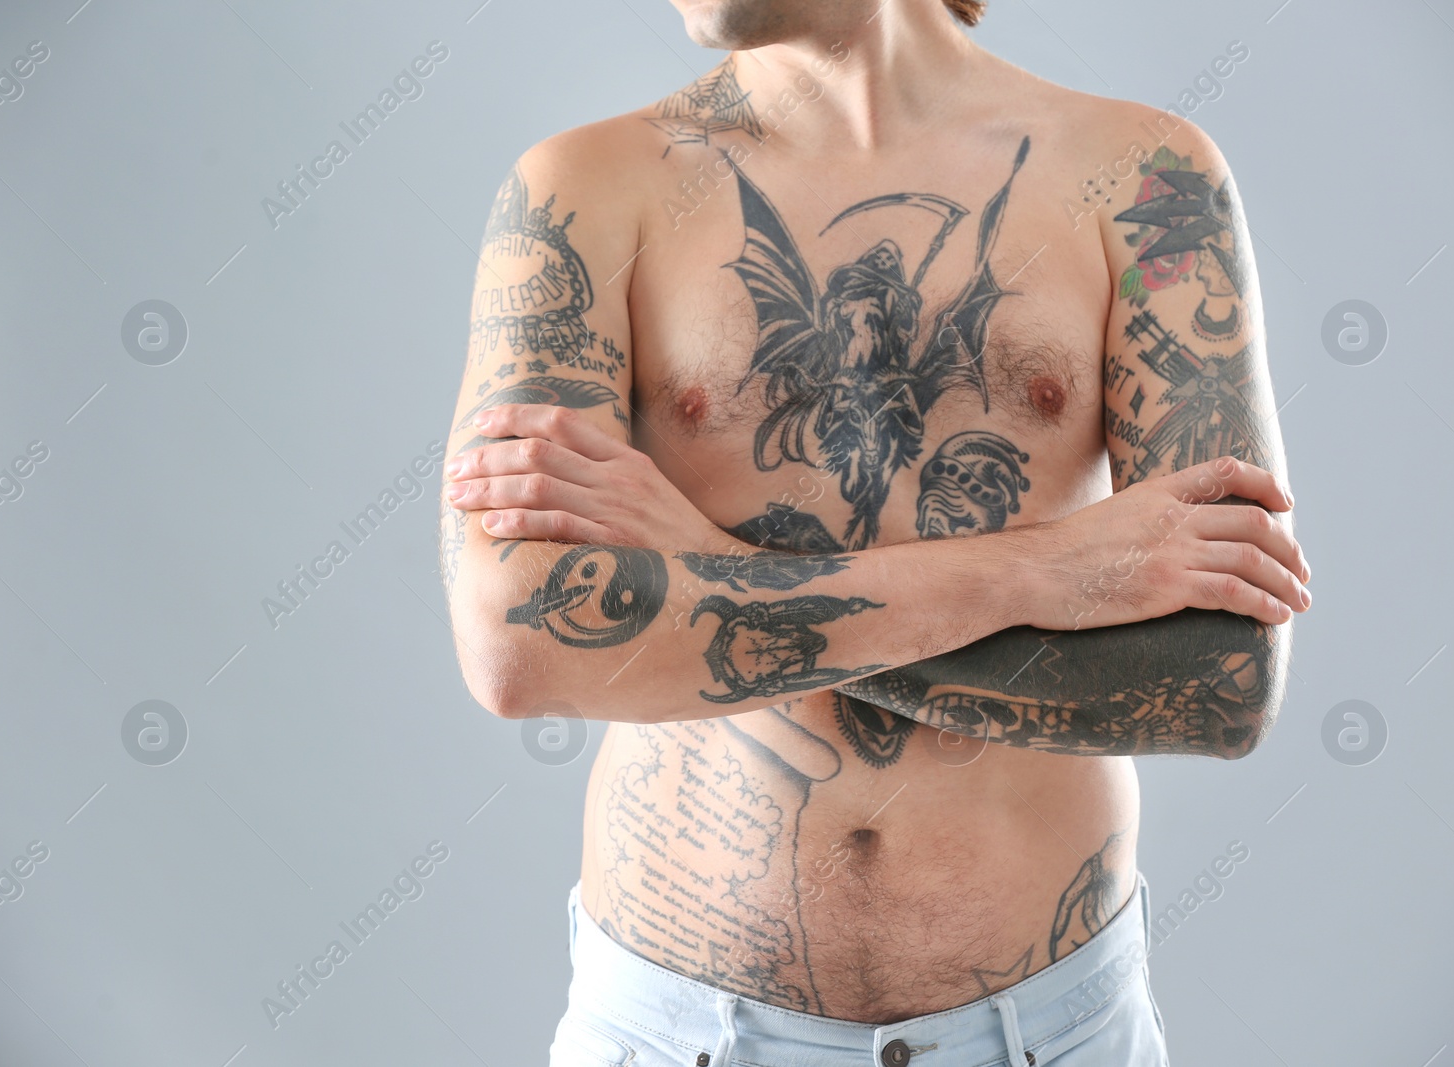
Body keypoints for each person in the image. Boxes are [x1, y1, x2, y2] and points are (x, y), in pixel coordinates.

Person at [439, 0, 1311, 1062]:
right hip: (681, 1031)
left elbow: (1219, 680)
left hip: (1046, 1031)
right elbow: (521, 647)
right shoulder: (583, 190)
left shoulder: (1140, 178)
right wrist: (1040, 568)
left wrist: (707, 569)